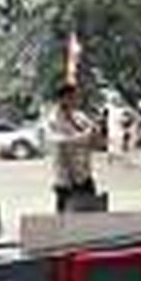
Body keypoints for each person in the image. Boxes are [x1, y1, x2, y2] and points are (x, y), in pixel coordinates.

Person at [46, 83, 99, 212]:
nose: (75, 100)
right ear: (61, 99)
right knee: (65, 214)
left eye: (76, 97)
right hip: (65, 176)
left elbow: (94, 132)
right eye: (71, 97)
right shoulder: (53, 119)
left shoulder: (79, 116)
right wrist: (83, 137)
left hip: (83, 173)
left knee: (90, 210)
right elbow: (58, 141)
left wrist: (92, 133)